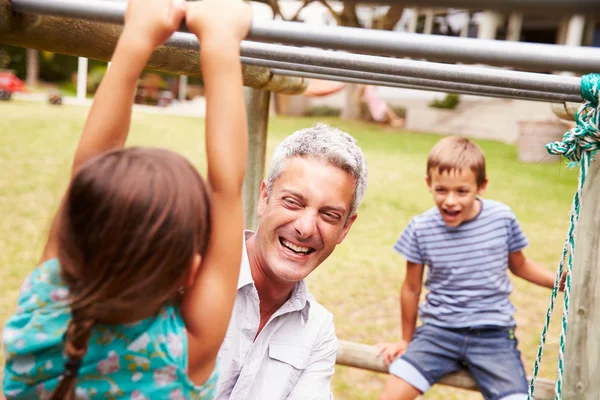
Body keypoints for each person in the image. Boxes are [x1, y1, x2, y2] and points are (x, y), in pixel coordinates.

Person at [2, 0, 252, 399]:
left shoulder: (44, 308)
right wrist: (221, 44)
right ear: (191, 270)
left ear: (72, 242)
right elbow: (227, 187)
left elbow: (89, 168)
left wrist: (136, 36)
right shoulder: (182, 356)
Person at [376, 136, 565, 400]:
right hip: (437, 334)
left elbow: (520, 265)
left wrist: (559, 282)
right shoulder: (421, 228)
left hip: (493, 336)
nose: (450, 201)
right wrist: (406, 341)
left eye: (461, 192)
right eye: (441, 190)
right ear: (429, 184)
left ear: (481, 186)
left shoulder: (501, 218)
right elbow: (411, 288)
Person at [215, 123, 369, 400]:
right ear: (264, 198)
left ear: (345, 228)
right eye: (293, 202)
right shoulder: (194, 273)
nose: (306, 228)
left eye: (330, 215)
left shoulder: (317, 331)